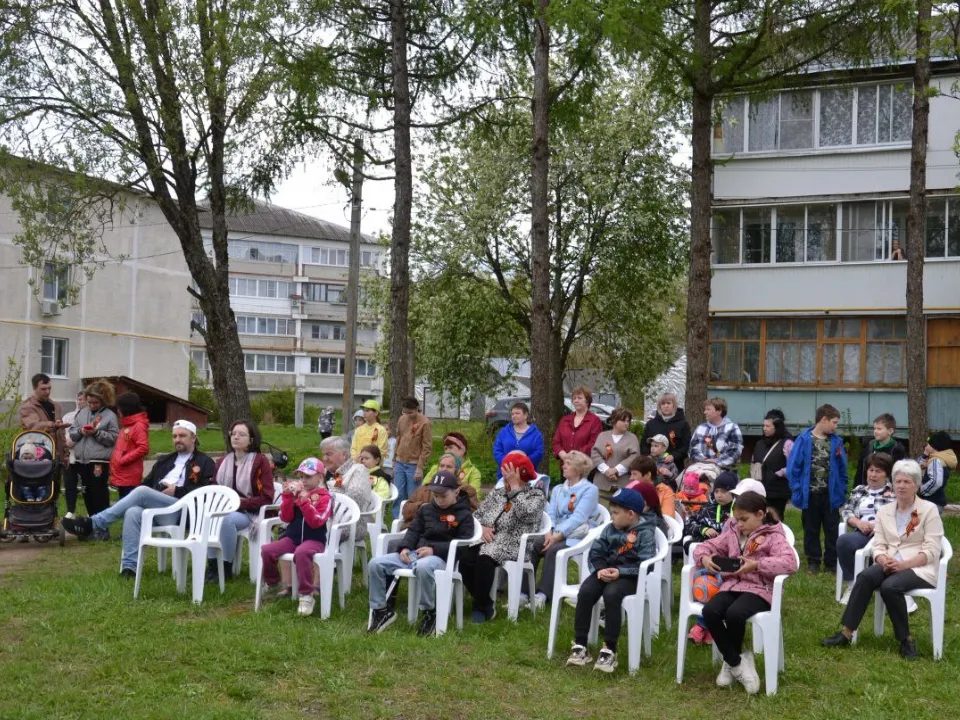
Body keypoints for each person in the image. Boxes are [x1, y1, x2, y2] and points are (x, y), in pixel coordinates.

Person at [822, 460, 944, 660]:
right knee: (865, 577)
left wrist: (903, 564)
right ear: (893, 484)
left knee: (889, 587)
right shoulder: (885, 511)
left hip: (919, 566)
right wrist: (881, 558)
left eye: (907, 481)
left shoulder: (929, 510)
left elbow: (932, 550)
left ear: (916, 485)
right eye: (898, 481)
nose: (902, 486)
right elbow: (878, 544)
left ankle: (906, 640)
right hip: (890, 562)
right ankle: (846, 633)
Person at [61, 420, 216, 576]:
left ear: (194, 438)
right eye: (174, 436)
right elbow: (147, 484)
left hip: (185, 511)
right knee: (133, 511)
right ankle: (130, 568)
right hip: (159, 509)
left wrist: (177, 490)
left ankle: (94, 523)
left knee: (141, 491)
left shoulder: (205, 462)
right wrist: (157, 493)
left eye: (182, 436)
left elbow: (205, 493)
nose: (177, 439)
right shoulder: (165, 460)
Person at [695, 491, 799, 694]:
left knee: (735, 614)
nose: (739, 524)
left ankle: (731, 662)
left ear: (760, 514)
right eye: (737, 520)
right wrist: (705, 559)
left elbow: (789, 563)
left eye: (744, 519)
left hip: (760, 590)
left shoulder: (773, 536)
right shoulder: (733, 532)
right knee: (710, 611)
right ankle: (737, 662)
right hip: (732, 585)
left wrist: (757, 565)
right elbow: (705, 546)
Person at [367, 471, 476, 636]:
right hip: (415, 554)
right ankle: (381, 610)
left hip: (442, 559)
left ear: (456, 491)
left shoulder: (464, 515)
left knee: (424, 567)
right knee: (375, 564)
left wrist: (434, 550)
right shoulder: (426, 510)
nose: (439, 500)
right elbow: (413, 532)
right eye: (435, 495)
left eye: (443, 496)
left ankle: (429, 612)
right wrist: (404, 548)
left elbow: (463, 545)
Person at [565, 487, 656, 674]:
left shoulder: (646, 533)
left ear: (631, 514)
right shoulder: (609, 529)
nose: (612, 516)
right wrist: (600, 570)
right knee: (586, 591)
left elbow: (647, 564)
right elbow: (596, 552)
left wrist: (620, 572)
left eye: (615, 513)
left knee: (612, 594)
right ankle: (580, 644)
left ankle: (609, 648)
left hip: (629, 578)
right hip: (605, 571)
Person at [460, 451, 546, 623]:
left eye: (508, 474)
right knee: (464, 557)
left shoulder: (535, 495)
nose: (504, 478)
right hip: (488, 539)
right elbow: (477, 515)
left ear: (518, 474)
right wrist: (482, 528)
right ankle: (486, 604)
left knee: (485, 558)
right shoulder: (498, 493)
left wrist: (515, 489)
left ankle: (479, 608)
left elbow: (526, 514)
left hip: (514, 544)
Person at [524, 450, 600, 610]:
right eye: (564, 463)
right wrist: (548, 531)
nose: (563, 466)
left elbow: (579, 517)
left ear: (579, 469)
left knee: (555, 551)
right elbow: (551, 513)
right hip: (556, 532)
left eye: (568, 464)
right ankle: (524, 593)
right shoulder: (558, 489)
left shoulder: (590, 490)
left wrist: (557, 536)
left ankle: (542, 595)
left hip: (578, 536)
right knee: (532, 544)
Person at [260, 457, 334, 617]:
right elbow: (286, 518)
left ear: (320, 477)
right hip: (293, 539)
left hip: (314, 540)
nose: (303, 480)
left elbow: (317, 522)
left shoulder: (324, 497)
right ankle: (273, 583)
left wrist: (304, 502)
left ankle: (306, 595)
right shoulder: (296, 495)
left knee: (302, 553)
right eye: (301, 477)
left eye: (308, 477)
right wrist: (287, 497)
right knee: (267, 550)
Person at [786, 403, 848, 575]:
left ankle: (831, 563)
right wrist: (797, 489)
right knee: (811, 529)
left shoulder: (836, 442)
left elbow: (842, 468)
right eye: (834, 422)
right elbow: (793, 468)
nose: (836, 426)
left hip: (831, 496)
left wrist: (842, 490)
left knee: (832, 529)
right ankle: (813, 562)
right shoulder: (804, 439)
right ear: (824, 419)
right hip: (810, 495)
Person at [209, 419, 274, 581]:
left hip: (250, 512)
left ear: (251, 440)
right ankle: (212, 568)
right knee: (209, 518)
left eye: (242, 434)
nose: (236, 437)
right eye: (233, 434)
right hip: (224, 508)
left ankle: (225, 568)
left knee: (225, 520)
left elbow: (266, 498)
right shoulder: (222, 461)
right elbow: (213, 489)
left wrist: (238, 502)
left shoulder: (260, 461)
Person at [683, 471, 740, 645]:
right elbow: (689, 524)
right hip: (707, 557)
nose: (719, 495)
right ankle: (708, 628)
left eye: (724, 491)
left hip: (730, 561)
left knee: (717, 584)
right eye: (716, 491)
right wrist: (703, 530)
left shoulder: (739, 513)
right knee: (704, 580)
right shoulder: (707, 508)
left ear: (734, 492)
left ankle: (701, 626)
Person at [837, 452, 895, 604]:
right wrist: (858, 523)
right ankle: (852, 586)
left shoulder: (895, 493)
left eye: (878, 471)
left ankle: (896, 589)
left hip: (886, 535)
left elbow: (901, 516)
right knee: (844, 541)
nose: (873, 475)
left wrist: (880, 526)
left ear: (887, 474)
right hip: (863, 533)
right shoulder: (859, 490)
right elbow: (847, 511)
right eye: (871, 470)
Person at [69, 379, 119, 535]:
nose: (91, 405)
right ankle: (91, 524)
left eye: (95, 402)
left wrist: (96, 433)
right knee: (86, 492)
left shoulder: (110, 416)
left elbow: (113, 438)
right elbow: (72, 431)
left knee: (99, 493)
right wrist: (80, 432)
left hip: (99, 461)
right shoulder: (82, 413)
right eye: (89, 402)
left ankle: (102, 527)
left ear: (103, 400)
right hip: (82, 461)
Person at [321, 435, 376, 542]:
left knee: (309, 533)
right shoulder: (330, 474)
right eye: (323, 455)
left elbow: (356, 497)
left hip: (351, 524)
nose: (324, 459)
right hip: (328, 520)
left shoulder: (358, 469)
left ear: (344, 455)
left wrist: (330, 497)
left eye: (328, 454)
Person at [402, 453, 478, 530]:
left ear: (457, 471)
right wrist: (421, 506)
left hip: (445, 532)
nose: (444, 469)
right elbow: (405, 510)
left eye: (449, 467)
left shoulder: (466, 490)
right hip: (414, 529)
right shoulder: (424, 488)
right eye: (441, 466)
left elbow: (473, 516)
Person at [393, 397, 433, 519]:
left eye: (410, 413)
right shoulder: (401, 419)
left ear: (416, 409)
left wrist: (420, 468)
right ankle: (397, 519)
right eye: (405, 412)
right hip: (400, 462)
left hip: (413, 464)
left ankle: (411, 521)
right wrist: (394, 459)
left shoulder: (425, 423)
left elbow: (426, 447)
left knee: (413, 495)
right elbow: (398, 439)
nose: (407, 415)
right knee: (398, 494)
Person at [751, 409, 794, 520]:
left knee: (774, 518)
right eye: (764, 426)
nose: (764, 428)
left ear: (777, 426)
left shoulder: (787, 443)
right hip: (760, 489)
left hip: (778, 491)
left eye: (768, 426)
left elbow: (794, 465)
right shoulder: (760, 443)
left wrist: (779, 473)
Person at [18, 373, 69, 464]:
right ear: (34, 388)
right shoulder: (27, 407)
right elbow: (34, 427)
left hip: (57, 457)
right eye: (43, 389)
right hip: (38, 457)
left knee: (56, 479)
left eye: (49, 388)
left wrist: (65, 454)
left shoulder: (56, 406)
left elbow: (61, 433)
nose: (47, 392)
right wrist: (53, 424)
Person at [590, 407, 640, 496]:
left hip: (624, 485)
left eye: (628, 421)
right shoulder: (602, 436)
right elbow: (595, 454)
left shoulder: (632, 438)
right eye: (623, 421)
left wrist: (616, 470)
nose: (626, 423)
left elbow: (634, 457)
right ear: (614, 421)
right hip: (602, 484)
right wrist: (606, 470)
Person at [110, 392, 150, 500]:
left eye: (119, 408)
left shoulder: (138, 425)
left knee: (129, 505)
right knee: (124, 503)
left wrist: (123, 460)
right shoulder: (127, 425)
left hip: (130, 475)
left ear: (126, 408)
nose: (118, 411)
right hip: (123, 474)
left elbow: (143, 448)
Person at [688, 397, 744, 472]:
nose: (705, 412)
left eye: (708, 409)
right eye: (705, 409)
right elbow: (692, 449)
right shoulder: (701, 428)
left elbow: (736, 451)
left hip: (725, 471)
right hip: (701, 469)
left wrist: (717, 462)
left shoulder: (732, 428)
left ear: (719, 411)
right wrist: (705, 461)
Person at [640, 392, 692, 470]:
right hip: (653, 466)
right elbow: (644, 444)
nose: (666, 406)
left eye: (668, 403)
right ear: (659, 406)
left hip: (675, 466)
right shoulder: (651, 424)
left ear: (674, 405)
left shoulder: (683, 424)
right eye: (663, 403)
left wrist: (674, 456)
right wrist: (647, 456)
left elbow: (686, 446)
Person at [493, 402, 544, 479]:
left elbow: (538, 453)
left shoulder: (536, 434)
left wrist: (522, 464)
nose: (514, 416)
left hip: (526, 475)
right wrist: (507, 464)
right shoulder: (504, 432)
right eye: (512, 414)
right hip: (505, 475)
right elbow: (497, 450)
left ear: (525, 415)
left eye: (517, 413)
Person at [853, 413, 906, 487]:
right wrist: (856, 488)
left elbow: (898, 474)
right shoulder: (869, 446)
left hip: (887, 492)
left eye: (879, 429)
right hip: (866, 490)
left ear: (890, 431)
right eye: (874, 428)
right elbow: (860, 472)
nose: (875, 431)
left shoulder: (897, 450)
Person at [552, 387, 603, 461]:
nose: (576, 400)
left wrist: (574, 456)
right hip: (566, 465)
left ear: (587, 401)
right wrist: (563, 455)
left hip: (584, 466)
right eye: (574, 398)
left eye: (579, 398)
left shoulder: (594, 421)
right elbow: (556, 442)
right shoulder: (565, 420)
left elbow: (593, 444)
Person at [625, 455, 676, 521]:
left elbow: (667, 520)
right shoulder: (631, 486)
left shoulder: (665, 491)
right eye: (631, 474)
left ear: (648, 475)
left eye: (634, 474)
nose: (630, 478)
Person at [61, 391, 86, 518]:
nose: (81, 401)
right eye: (79, 399)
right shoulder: (68, 416)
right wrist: (66, 444)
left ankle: (89, 511)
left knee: (87, 485)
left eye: (83, 399)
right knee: (69, 483)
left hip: (84, 456)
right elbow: (62, 434)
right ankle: (70, 510)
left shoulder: (90, 417)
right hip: (69, 455)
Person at [918, 430, 955, 511]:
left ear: (934, 446)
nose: (926, 446)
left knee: (929, 523)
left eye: (928, 444)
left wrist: (921, 490)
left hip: (931, 502)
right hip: (936, 501)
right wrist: (925, 455)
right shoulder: (940, 458)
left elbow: (935, 482)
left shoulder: (936, 461)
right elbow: (918, 466)